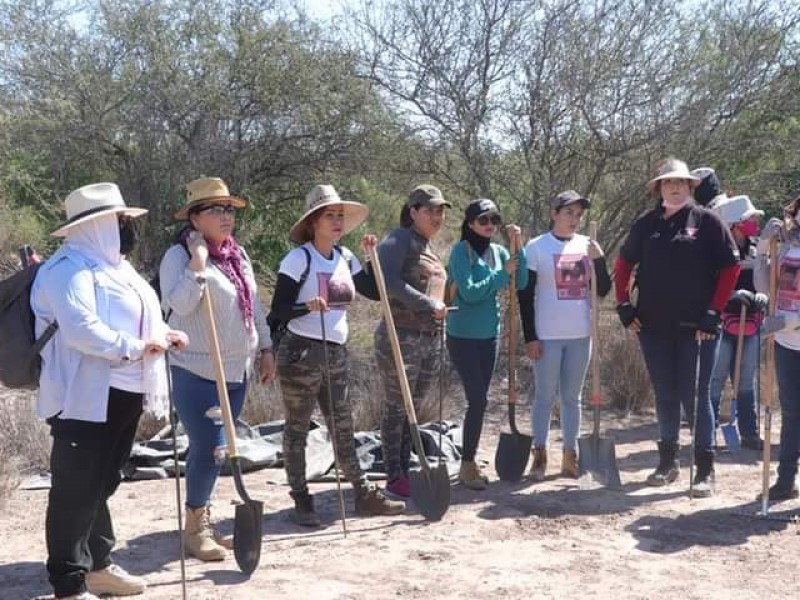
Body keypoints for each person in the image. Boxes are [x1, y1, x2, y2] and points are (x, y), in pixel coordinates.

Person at [32, 182, 188, 600]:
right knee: (75, 488)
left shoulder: (115, 267)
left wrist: (163, 334)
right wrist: (135, 348)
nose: (126, 229)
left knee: (102, 483)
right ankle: (68, 582)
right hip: (82, 395)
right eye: (119, 222)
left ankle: (97, 565)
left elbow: (136, 319)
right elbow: (82, 329)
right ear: (96, 226)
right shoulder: (66, 269)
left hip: (124, 391)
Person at [272, 184, 405, 526]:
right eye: (330, 215)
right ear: (313, 221)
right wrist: (305, 306)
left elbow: (375, 292)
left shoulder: (346, 258)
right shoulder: (298, 259)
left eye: (340, 216)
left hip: (336, 352)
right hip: (300, 352)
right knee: (298, 428)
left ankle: (362, 493)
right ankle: (301, 498)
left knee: (343, 425)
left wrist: (373, 258)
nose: (337, 221)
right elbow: (278, 311)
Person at [159, 177, 275, 561]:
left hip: (236, 369)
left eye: (229, 209)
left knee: (220, 448)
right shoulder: (177, 257)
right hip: (196, 370)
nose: (226, 216)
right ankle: (195, 528)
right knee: (208, 448)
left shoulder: (237, 255)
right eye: (216, 209)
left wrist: (267, 347)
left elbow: (253, 304)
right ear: (194, 218)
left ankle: (203, 516)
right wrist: (198, 263)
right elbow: (178, 306)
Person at [614, 159, 739, 498]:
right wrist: (623, 304)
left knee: (695, 397)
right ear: (658, 188)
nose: (675, 188)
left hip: (699, 328)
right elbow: (623, 264)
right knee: (665, 393)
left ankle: (705, 470)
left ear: (691, 187)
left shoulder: (708, 222)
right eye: (668, 183)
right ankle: (667, 462)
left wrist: (714, 311)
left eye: (682, 183)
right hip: (653, 326)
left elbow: (730, 268)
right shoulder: (647, 224)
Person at [518, 190, 611, 481]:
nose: (574, 219)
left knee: (572, 397)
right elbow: (524, 295)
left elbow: (603, 290)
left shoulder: (588, 245)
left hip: (580, 333)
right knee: (545, 396)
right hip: (547, 334)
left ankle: (571, 455)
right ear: (554, 214)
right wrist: (530, 337)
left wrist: (599, 261)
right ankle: (540, 454)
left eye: (578, 214)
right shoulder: (536, 248)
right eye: (568, 213)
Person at [446, 199, 527, 489]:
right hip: (462, 336)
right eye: (483, 220)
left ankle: (470, 458)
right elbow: (469, 293)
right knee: (478, 399)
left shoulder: (499, 251)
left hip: (489, 335)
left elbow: (521, 281)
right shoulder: (460, 252)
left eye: (494, 219)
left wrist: (519, 245)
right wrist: (502, 273)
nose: (489, 225)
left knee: (479, 402)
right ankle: (467, 465)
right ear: (470, 224)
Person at [375, 185, 450, 498]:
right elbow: (388, 280)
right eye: (430, 209)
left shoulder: (427, 246)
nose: (437, 216)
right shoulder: (400, 239)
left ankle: (406, 469)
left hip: (428, 338)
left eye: (441, 210)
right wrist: (426, 303)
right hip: (401, 336)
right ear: (414, 210)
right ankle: (394, 475)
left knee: (414, 409)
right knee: (397, 407)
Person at [709, 194, 766, 450]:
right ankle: (707, 432)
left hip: (751, 324)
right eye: (749, 219)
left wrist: (762, 294)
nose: (754, 222)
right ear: (734, 224)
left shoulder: (757, 250)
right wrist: (731, 296)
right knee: (715, 379)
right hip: (722, 324)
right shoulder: (716, 251)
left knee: (746, 380)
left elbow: (765, 280)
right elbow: (706, 287)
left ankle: (749, 432)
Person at [754, 195, 800, 500]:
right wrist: (761, 249)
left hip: (789, 330)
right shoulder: (784, 244)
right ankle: (785, 479)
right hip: (786, 344)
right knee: (792, 412)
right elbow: (763, 286)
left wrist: (790, 323)